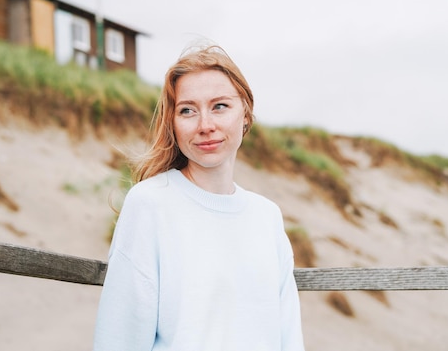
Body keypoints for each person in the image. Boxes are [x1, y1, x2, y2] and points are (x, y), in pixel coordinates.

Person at [92, 44, 305, 351]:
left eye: (220, 106)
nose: (205, 125)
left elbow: (289, 338)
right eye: (188, 110)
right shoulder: (150, 204)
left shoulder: (267, 216)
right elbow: (118, 339)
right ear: (174, 123)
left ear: (245, 114)